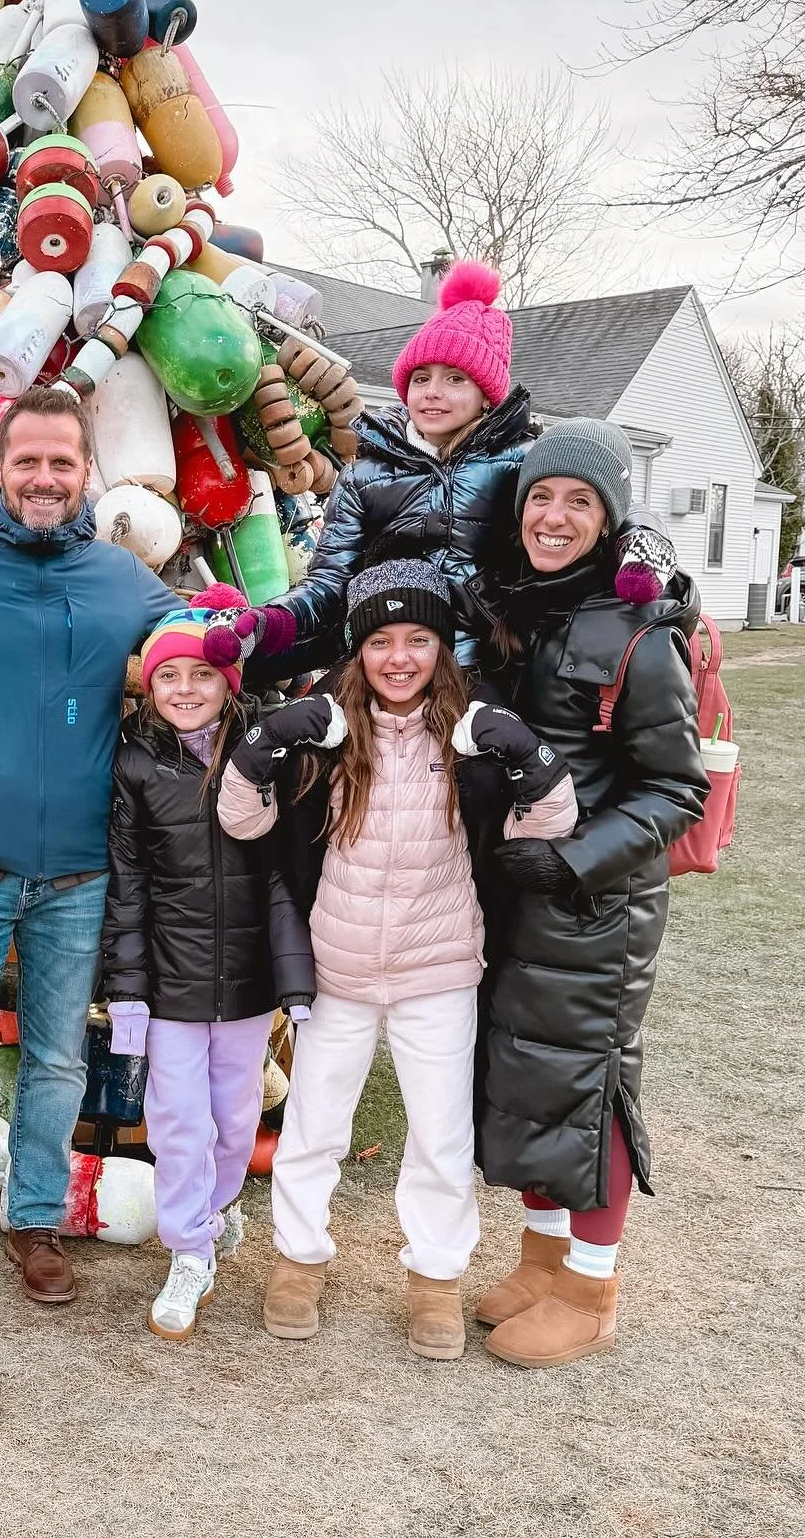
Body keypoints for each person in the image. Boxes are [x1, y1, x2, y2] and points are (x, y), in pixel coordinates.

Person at [217, 561, 578, 1359]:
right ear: (358, 649)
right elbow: (241, 820)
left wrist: (522, 750)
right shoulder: (325, 731)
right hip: (336, 968)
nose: (400, 657)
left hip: (439, 967)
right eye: (381, 640)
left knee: (441, 1137)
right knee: (314, 1127)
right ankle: (297, 1262)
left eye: (418, 638)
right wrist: (270, 737)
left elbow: (549, 821)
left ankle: (436, 1280)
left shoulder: (471, 735)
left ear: (442, 647)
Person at [0, 383, 180, 1311]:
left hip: (78, 871)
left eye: (64, 462)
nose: (46, 478)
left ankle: (34, 1219)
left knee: (59, 1058)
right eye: (28, 461)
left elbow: (200, 657)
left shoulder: (124, 579)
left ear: (87, 472)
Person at [475, 418, 709, 1369]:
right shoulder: (532, 608)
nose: (555, 516)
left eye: (579, 501)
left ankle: (593, 1283)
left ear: (610, 517)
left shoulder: (636, 635)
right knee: (529, 1077)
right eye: (541, 496)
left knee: (590, 1084)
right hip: (522, 898)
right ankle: (542, 1259)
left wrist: (574, 863)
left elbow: (675, 789)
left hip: (597, 907)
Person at [204, 260, 676, 675]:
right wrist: (271, 620)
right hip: (386, 664)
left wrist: (643, 537)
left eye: (455, 379)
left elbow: (600, 500)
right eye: (420, 378)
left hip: (483, 666)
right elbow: (330, 581)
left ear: (486, 395)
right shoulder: (364, 475)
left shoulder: (521, 460)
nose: (432, 392)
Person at [100, 586, 316, 1340]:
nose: (185, 690)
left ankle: (213, 1214)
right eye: (168, 677)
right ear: (148, 686)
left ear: (229, 681)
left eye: (201, 675)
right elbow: (126, 886)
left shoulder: (265, 753)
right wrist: (126, 992)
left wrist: (295, 980)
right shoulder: (134, 763)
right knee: (177, 1121)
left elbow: (288, 873)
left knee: (232, 1119)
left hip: (250, 979)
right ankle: (188, 1249)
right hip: (169, 983)